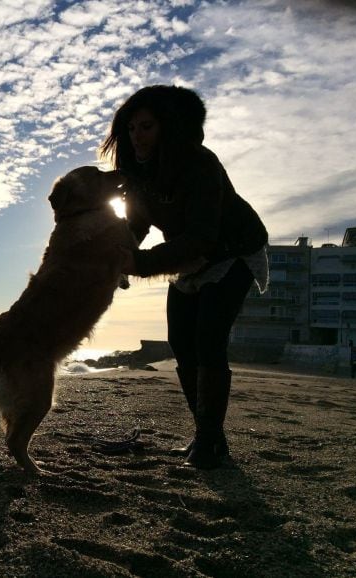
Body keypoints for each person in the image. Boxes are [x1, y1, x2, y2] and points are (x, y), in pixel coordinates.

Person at [99, 85, 269, 469]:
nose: (136, 136)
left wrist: (138, 264)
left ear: (168, 128)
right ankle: (210, 436)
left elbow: (203, 236)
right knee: (180, 339)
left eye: (146, 126)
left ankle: (207, 441)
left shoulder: (201, 165)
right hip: (188, 256)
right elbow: (138, 225)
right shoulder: (139, 175)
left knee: (208, 339)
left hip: (233, 251)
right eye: (130, 129)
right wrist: (112, 258)